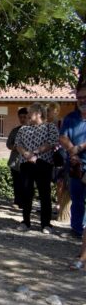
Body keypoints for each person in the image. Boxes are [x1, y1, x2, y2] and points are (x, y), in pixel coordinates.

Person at [14, 102, 60, 234]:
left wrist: (36, 152)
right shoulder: (23, 129)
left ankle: (46, 224)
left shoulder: (49, 127)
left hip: (43, 163)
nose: (28, 114)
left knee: (45, 194)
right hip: (26, 163)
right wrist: (25, 153)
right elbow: (17, 144)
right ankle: (25, 222)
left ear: (39, 113)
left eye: (30, 112)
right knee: (26, 193)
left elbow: (52, 142)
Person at [60, 85, 86, 238]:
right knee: (77, 198)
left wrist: (79, 147)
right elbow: (62, 137)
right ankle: (76, 229)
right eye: (79, 97)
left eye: (85, 97)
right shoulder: (71, 117)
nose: (82, 100)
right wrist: (72, 151)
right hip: (75, 163)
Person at [6, 107, 29, 207]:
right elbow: (8, 144)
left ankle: (26, 202)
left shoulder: (33, 130)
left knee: (26, 183)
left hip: (27, 161)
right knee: (16, 182)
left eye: (24, 117)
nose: (23, 119)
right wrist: (14, 147)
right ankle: (17, 201)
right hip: (15, 161)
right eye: (21, 117)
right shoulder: (15, 130)